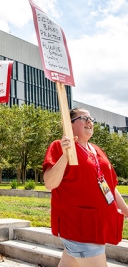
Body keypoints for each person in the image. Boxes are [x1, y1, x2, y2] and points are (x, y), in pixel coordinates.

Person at [43, 108, 128, 267]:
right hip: (80, 227)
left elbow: (108, 186)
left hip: (96, 225)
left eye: (91, 118)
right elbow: (50, 183)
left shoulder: (96, 150)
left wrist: (126, 209)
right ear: (69, 124)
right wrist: (65, 155)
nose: (90, 121)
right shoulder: (58, 146)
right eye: (83, 118)